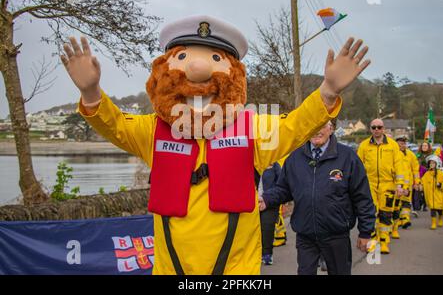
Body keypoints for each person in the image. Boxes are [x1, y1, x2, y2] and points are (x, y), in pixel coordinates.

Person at [61, 15, 371, 274]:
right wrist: (92, 94)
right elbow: (115, 125)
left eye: (215, 59)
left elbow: (295, 125)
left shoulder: (253, 129)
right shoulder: (152, 132)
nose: (198, 69)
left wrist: (327, 92)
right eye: (183, 58)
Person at [260, 121, 376, 275]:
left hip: (336, 235)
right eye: (312, 125)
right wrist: (266, 199)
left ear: (331, 128)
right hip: (306, 236)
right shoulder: (295, 158)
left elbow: (362, 197)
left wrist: (365, 233)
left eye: (322, 125)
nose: (316, 130)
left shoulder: (348, 157)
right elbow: (283, 189)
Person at [357, 119, 405, 254]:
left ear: (383, 129)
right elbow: (358, 166)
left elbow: (399, 165)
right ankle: (372, 242)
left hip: (388, 184)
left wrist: (400, 185)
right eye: (374, 127)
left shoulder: (393, 145)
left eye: (379, 127)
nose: (376, 129)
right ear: (370, 129)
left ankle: (384, 242)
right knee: (370, 213)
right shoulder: (364, 145)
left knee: (385, 214)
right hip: (369, 184)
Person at [394, 136, 420, 233]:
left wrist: (417, 182)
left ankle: (405, 219)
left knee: (406, 203)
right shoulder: (394, 154)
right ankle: (398, 221)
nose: (402, 145)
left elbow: (415, 170)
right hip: (396, 185)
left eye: (404, 143)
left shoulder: (411, 155)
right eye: (400, 143)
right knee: (396, 204)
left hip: (408, 185)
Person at [258, 162, 282, 265]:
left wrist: (270, 197)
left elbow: (281, 184)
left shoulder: (275, 165)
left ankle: (267, 254)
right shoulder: (251, 161)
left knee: (267, 227)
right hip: (252, 202)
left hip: (269, 202)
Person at [422, 155, 443, 229]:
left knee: (440, 210)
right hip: (431, 196)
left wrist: (441, 185)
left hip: (439, 196)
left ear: (437, 164)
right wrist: (420, 186)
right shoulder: (427, 174)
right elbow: (423, 181)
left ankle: (440, 218)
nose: (431, 164)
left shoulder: (441, 173)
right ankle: (433, 223)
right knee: (432, 210)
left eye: (433, 163)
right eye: (430, 163)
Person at [415, 142, 434, 211]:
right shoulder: (418, 155)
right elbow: (416, 163)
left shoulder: (431, 155)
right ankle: (419, 204)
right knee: (419, 190)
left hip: (428, 174)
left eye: (426, 146)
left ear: (428, 147)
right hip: (420, 174)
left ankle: (425, 205)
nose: (424, 147)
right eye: (423, 146)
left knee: (427, 190)